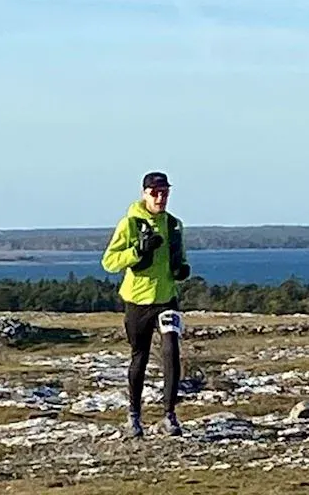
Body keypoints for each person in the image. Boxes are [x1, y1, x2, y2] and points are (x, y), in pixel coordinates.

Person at [101, 171, 191, 438]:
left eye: (165, 192)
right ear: (144, 194)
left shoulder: (175, 225)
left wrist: (182, 269)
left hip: (167, 299)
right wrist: (138, 251)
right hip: (138, 301)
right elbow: (109, 262)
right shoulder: (129, 224)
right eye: (155, 193)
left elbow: (180, 258)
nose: (161, 198)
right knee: (139, 357)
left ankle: (169, 416)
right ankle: (133, 416)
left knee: (171, 351)